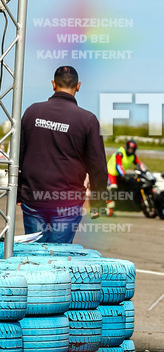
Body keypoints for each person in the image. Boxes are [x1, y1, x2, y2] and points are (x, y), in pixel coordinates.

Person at [19, 66, 107, 243]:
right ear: (78, 86)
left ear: (53, 84)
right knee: (58, 259)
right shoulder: (87, 120)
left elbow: (19, 156)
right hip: (67, 203)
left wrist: (19, 193)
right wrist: (98, 202)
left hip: (33, 199)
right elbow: (98, 166)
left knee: (35, 257)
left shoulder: (32, 112)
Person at [106, 138, 148, 215]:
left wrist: (146, 171)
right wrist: (124, 175)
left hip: (119, 174)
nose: (131, 150)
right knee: (113, 187)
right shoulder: (120, 153)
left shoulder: (133, 156)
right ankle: (109, 209)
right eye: (130, 148)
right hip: (111, 172)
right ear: (127, 147)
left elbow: (139, 164)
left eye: (133, 149)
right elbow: (118, 166)